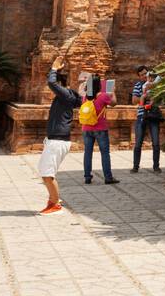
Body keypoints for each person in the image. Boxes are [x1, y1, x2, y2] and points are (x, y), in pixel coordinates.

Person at [40, 63, 87, 214]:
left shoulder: (65, 95)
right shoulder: (68, 96)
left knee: (47, 174)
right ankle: (53, 200)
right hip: (56, 140)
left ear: (60, 84)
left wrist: (53, 68)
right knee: (45, 173)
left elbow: (51, 83)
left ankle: (55, 204)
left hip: (58, 141)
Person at [82, 80, 119, 185]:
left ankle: (87, 177)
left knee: (88, 153)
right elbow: (114, 103)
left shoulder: (85, 97)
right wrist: (113, 92)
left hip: (86, 128)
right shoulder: (103, 96)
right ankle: (108, 177)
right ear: (99, 86)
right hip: (100, 129)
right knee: (105, 153)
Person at [131, 66, 160, 173]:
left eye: (145, 73)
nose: (144, 76)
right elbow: (134, 100)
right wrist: (145, 96)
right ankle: (135, 166)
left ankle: (156, 166)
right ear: (139, 76)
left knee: (156, 143)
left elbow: (159, 97)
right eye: (142, 74)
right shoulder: (138, 85)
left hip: (153, 115)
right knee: (138, 143)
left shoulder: (155, 84)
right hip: (141, 115)